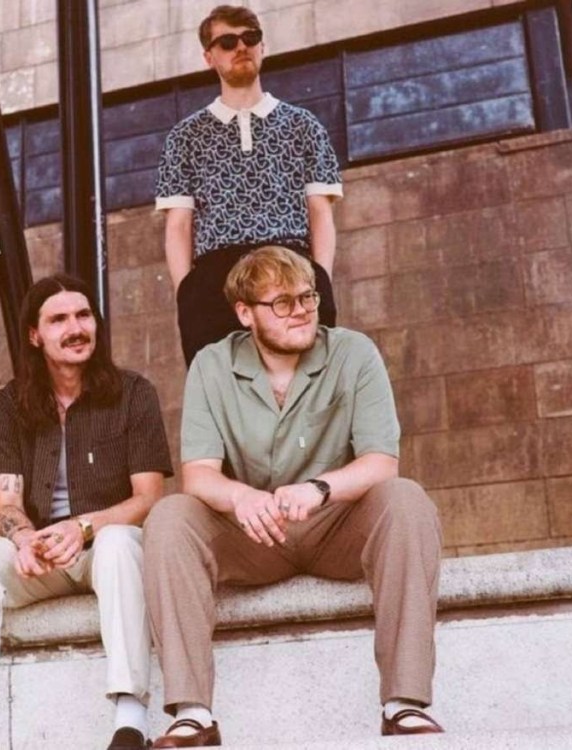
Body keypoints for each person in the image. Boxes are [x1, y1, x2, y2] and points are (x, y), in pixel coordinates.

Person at [143, 246, 444, 747]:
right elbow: (198, 475)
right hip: (256, 535)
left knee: (406, 499)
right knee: (170, 515)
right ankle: (193, 714)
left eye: (308, 297)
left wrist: (320, 489)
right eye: (282, 302)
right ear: (245, 313)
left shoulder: (354, 352)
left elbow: (381, 462)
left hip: (335, 526)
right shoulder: (212, 366)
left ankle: (404, 704)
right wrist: (241, 498)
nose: (301, 310)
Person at [0, 274, 174, 750]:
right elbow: (6, 502)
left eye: (84, 315)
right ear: (35, 335)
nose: (76, 328)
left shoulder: (134, 393)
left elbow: (149, 497)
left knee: (117, 544)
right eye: (59, 319)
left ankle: (131, 719)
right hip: (44, 553)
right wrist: (24, 539)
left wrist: (84, 527)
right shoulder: (10, 404)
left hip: (104, 545)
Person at [156, 4, 343, 366]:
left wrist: (319, 279)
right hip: (215, 281)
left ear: (263, 46)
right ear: (209, 57)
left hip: (292, 268)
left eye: (250, 38)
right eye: (227, 42)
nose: (241, 47)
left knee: (307, 384)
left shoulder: (304, 126)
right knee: (222, 387)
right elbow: (178, 225)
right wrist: (187, 293)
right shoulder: (184, 137)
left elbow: (320, 213)